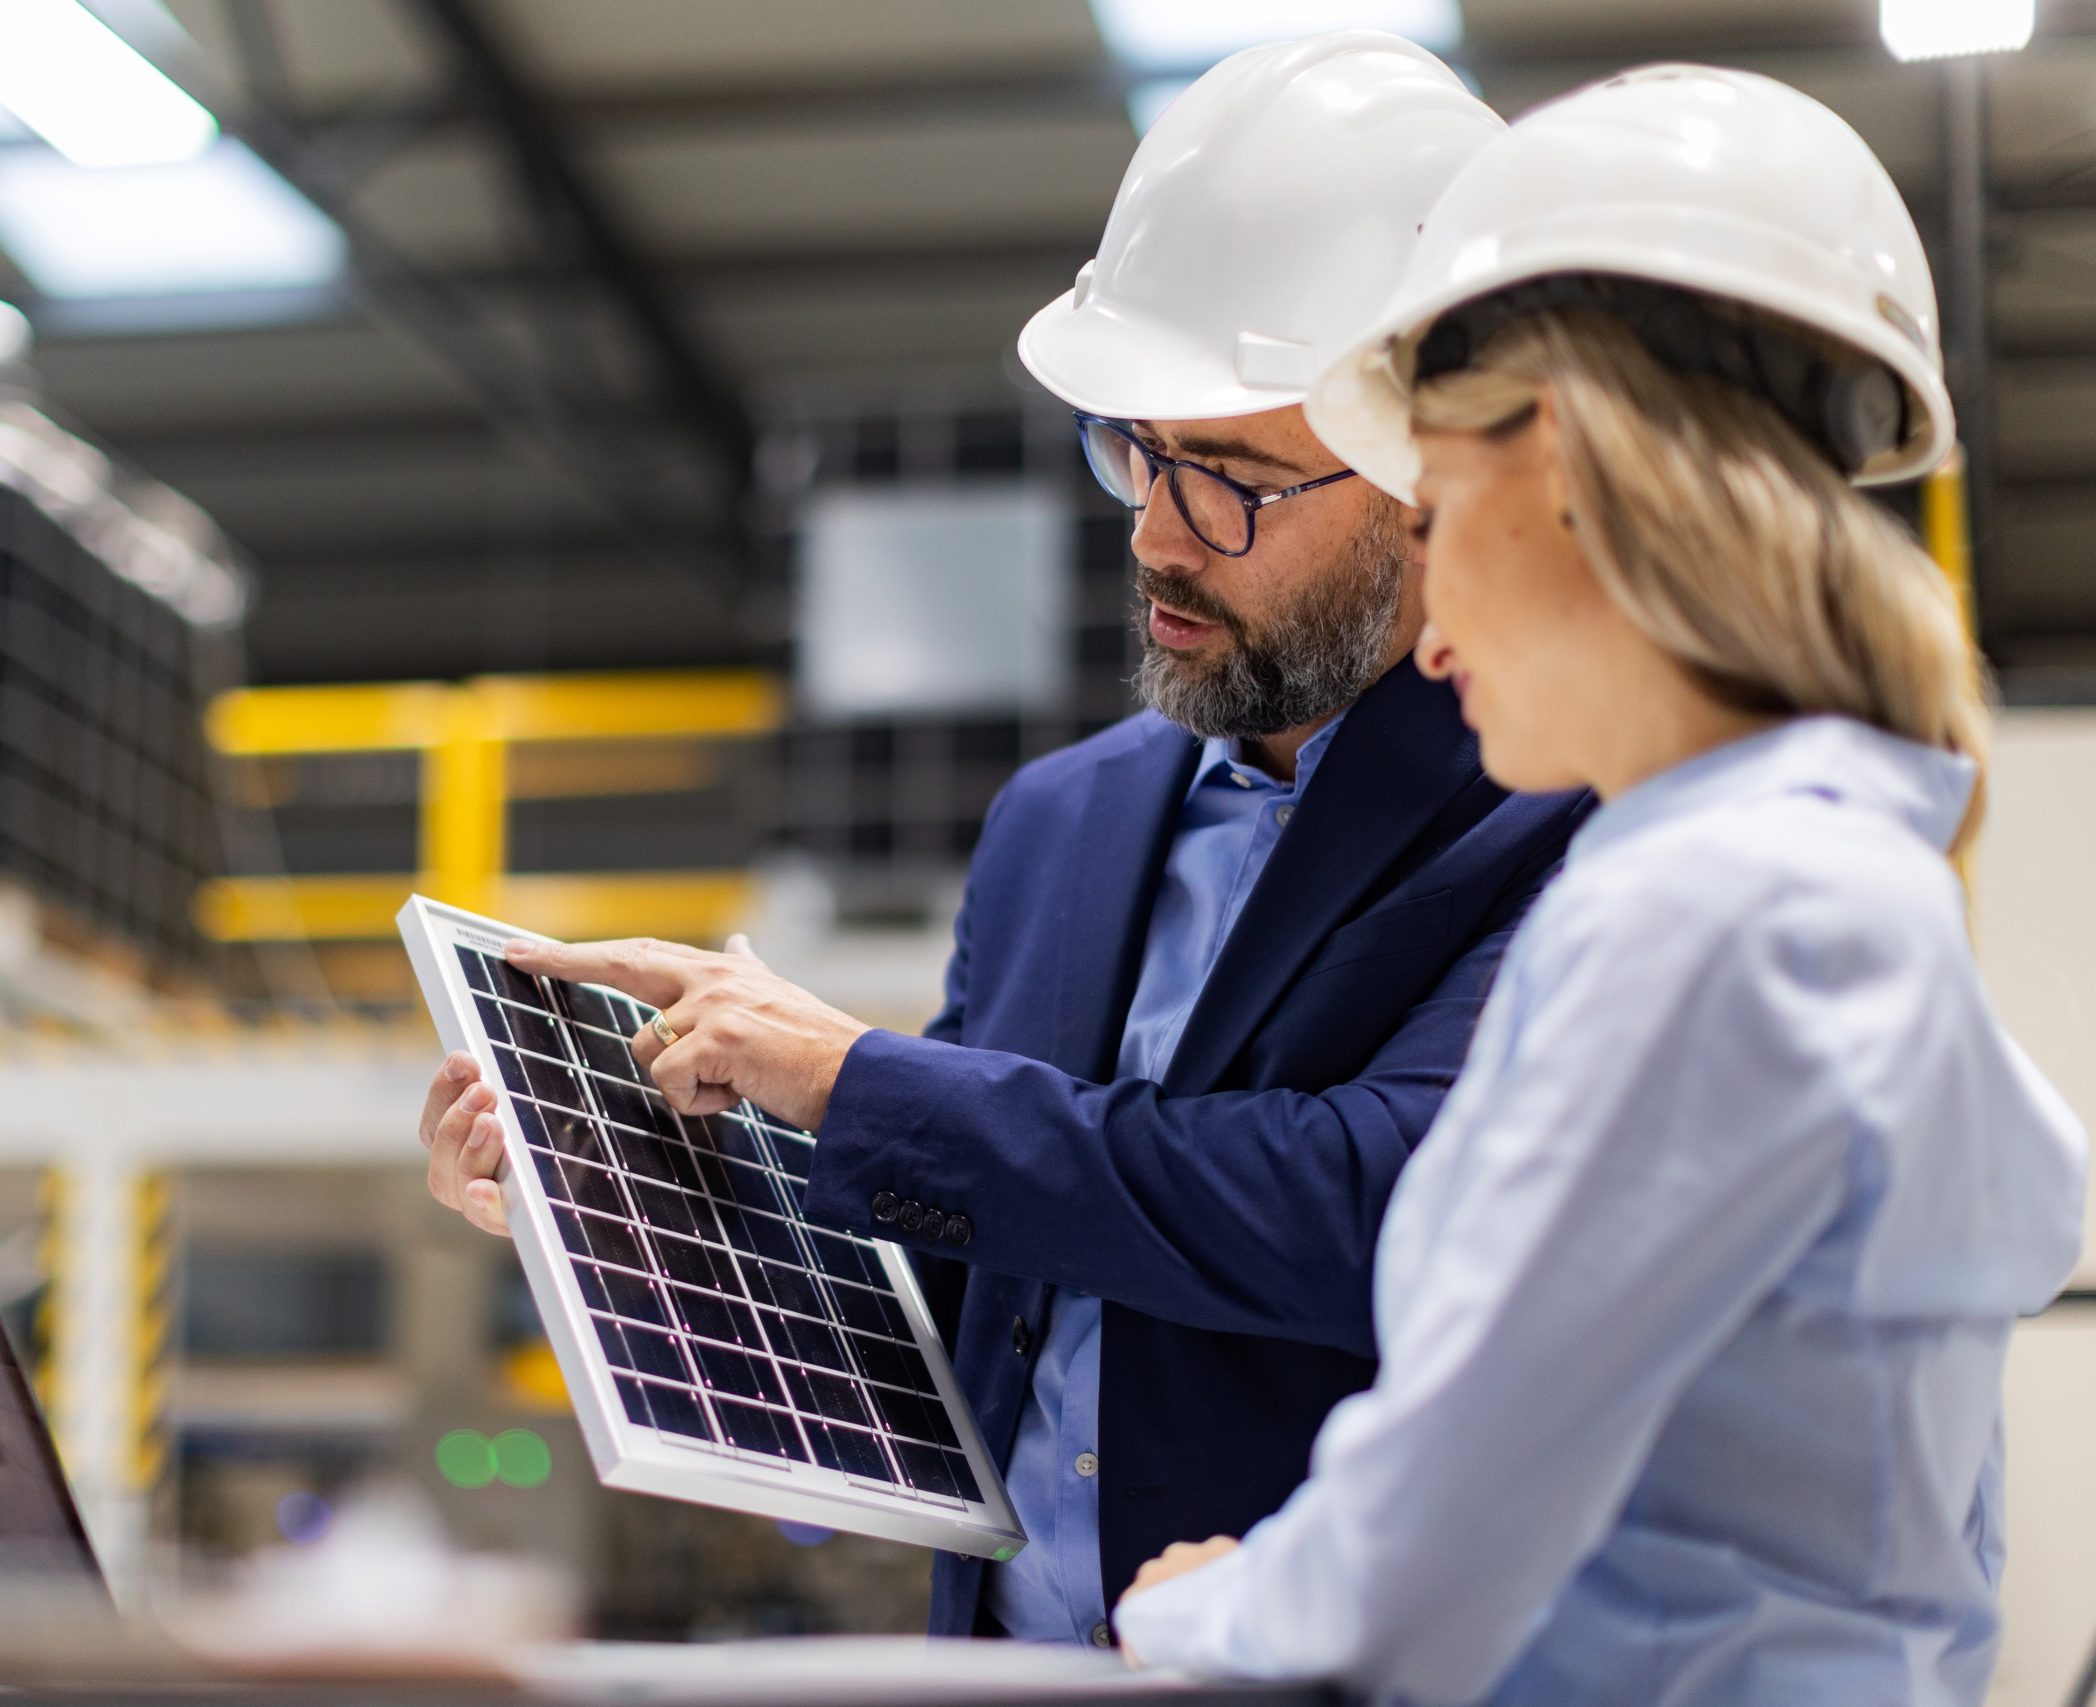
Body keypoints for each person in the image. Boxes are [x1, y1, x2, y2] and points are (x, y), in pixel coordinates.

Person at [417, 32, 1591, 1645]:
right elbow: (966, 1273)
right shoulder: (1062, 826)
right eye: (1135, 452)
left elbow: (1376, 1205)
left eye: (1234, 479)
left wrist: (850, 1078)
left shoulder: (1563, 805)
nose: (1160, 536)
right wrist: (615, 1202)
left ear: (1424, 477)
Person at [1110, 65, 2088, 1704]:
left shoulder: (1713, 916)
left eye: (1440, 510)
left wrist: (1208, 1603)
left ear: (1558, 464)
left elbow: (1414, 1569)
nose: (1425, 631)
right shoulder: (1838, 875)